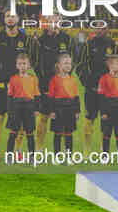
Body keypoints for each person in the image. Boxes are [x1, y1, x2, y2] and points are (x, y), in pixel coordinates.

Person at [0, 10, 35, 162]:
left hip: (19, 87)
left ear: (18, 18)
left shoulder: (24, 38)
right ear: (4, 19)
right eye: (8, 16)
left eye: (13, 15)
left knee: (19, 122)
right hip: (0, 86)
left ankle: (18, 151)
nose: (10, 18)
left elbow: (30, 60)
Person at [34, 15, 76, 152]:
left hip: (64, 86)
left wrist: (67, 77)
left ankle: (65, 151)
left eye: (56, 21)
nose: (54, 24)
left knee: (65, 118)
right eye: (51, 21)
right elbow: (36, 63)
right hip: (46, 86)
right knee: (44, 118)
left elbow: (73, 60)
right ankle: (39, 149)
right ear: (46, 23)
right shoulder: (41, 40)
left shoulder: (67, 39)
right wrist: (43, 81)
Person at [76, 24, 117, 154]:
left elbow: (117, 67)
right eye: (97, 28)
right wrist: (87, 83)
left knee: (106, 120)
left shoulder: (112, 44)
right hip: (91, 89)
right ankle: (87, 150)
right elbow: (80, 66)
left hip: (107, 92)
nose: (99, 30)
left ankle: (103, 150)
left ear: (107, 29)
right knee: (89, 119)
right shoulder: (88, 44)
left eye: (102, 28)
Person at [6, 53, 40, 163]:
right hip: (16, 107)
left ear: (29, 65)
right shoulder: (13, 79)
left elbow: (36, 95)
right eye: (20, 64)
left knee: (30, 133)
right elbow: (10, 96)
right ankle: (9, 156)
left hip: (29, 107)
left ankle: (31, 157)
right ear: (16, 65)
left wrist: (36, 109)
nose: (22, 66)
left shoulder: (33, 78)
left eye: (24, 63)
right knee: (13, 133)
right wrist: (10, 111)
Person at [98, 55, 118, 165]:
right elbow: (101, 97)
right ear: (110, 65)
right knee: (107, 134)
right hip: (108, 111)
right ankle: (105, 157)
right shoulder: (104, 79)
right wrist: (103, 112)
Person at [48, 53, 80, 161]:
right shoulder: (54, 80)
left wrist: (77, 111)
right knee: (57, 134)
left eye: (69, 63)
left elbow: (76, 97)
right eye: (65, 63)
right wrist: (51, 111)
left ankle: (69, 157)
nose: (68, 66)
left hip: (70, 109)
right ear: (58, 65)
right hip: (58, 109)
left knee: (69, 134)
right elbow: (51, 97)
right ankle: (57, 157)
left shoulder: (73, 79)